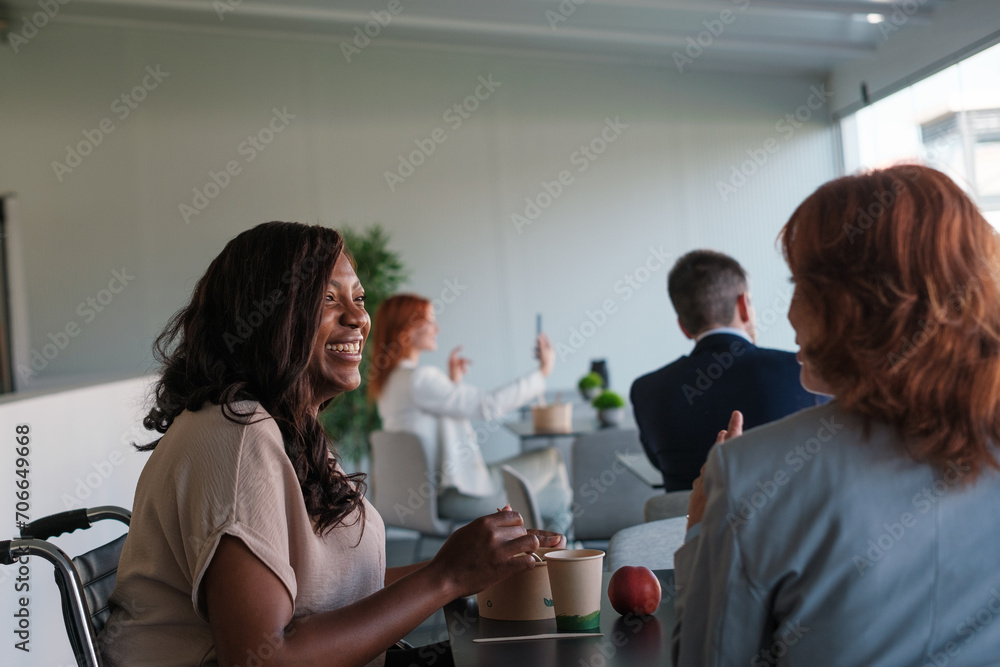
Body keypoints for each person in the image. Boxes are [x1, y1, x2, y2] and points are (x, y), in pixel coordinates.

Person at [100, 222, 561, 667]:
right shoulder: (237, 438)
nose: (360, 316)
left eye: (358, 298)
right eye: (326, 298)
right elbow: (267, 659)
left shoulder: (283, 428)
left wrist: (462, 567)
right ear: (265, 313)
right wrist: (446, 577)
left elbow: (333, 591)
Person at [673, 165, 1000, 665]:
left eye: (802, 285)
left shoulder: (748, 475)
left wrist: (700, 532)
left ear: (855, 304)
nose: (787, 315)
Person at [368, 294, 573, 535]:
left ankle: (553, 553)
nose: (437, 328)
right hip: (457, 497)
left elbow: (430, 419)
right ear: (406, 330)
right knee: (551, 457)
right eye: (429, 321)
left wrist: (453, 383)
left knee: (558, 499)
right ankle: (560, 558)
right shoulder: (420, 379)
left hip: (426, 500)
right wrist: (542, 373)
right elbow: (488, 406)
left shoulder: (390, 383)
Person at [630, 249, 819, 491]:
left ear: (683, 327)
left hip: (681, 526)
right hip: (787, 525)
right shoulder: (801, 371)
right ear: (743, 306)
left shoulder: (646, 390)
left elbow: (658, 464)